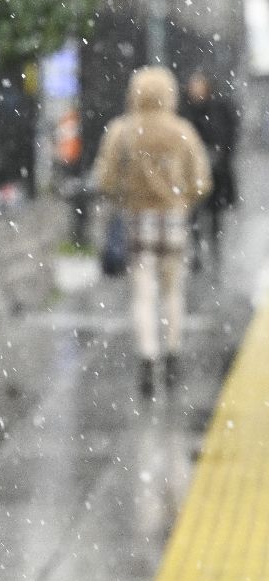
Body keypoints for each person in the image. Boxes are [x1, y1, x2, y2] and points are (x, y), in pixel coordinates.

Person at [93, 66, 212, 397]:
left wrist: (126, 193)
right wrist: (182, 196)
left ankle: (147, 356)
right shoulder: (182, 132)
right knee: (173, 292)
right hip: (174, 219)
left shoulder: (123, 131)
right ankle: (172, 353)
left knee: (143, 293)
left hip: (137, 219)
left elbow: (104, 179)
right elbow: (201, 181)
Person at [179, 68, 240, 270]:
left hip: (215, 172)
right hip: (194, 172)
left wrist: (219, 155)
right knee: (195, 213)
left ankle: (214, 251)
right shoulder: (187, 112)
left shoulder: (218, 109)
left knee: (214, 215)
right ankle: (197, 252)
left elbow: (227, 135)